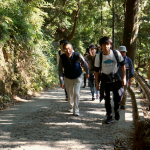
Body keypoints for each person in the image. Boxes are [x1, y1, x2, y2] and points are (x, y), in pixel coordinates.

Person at [94, 36, 126, 124]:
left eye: (107, 44)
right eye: (104, 45)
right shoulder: (98, 56)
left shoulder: (116, 53)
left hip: (115, 78)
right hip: (105, 79)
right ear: (101, 46)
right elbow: (96, 71)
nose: (106, 47)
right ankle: (109, 115)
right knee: (106, 99)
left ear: (110, 45)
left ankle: (116, 110)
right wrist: (96, 83)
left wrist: (124, 77)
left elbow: (123, 65)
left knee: (117, 97)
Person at [59, 42, 89, 116]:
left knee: (76, 93)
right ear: (63, 50)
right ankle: (71, 106)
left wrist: (87, 73)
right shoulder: (62, 57)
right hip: (67, 77)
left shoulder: (77, 55)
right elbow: (60, 69)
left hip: (77, 76)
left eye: (69, 48)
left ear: (72, 49)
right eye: (65, 49)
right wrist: (61, 80)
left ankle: (76, 110)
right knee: (70, 95)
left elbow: (84, 63)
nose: (68, 51)